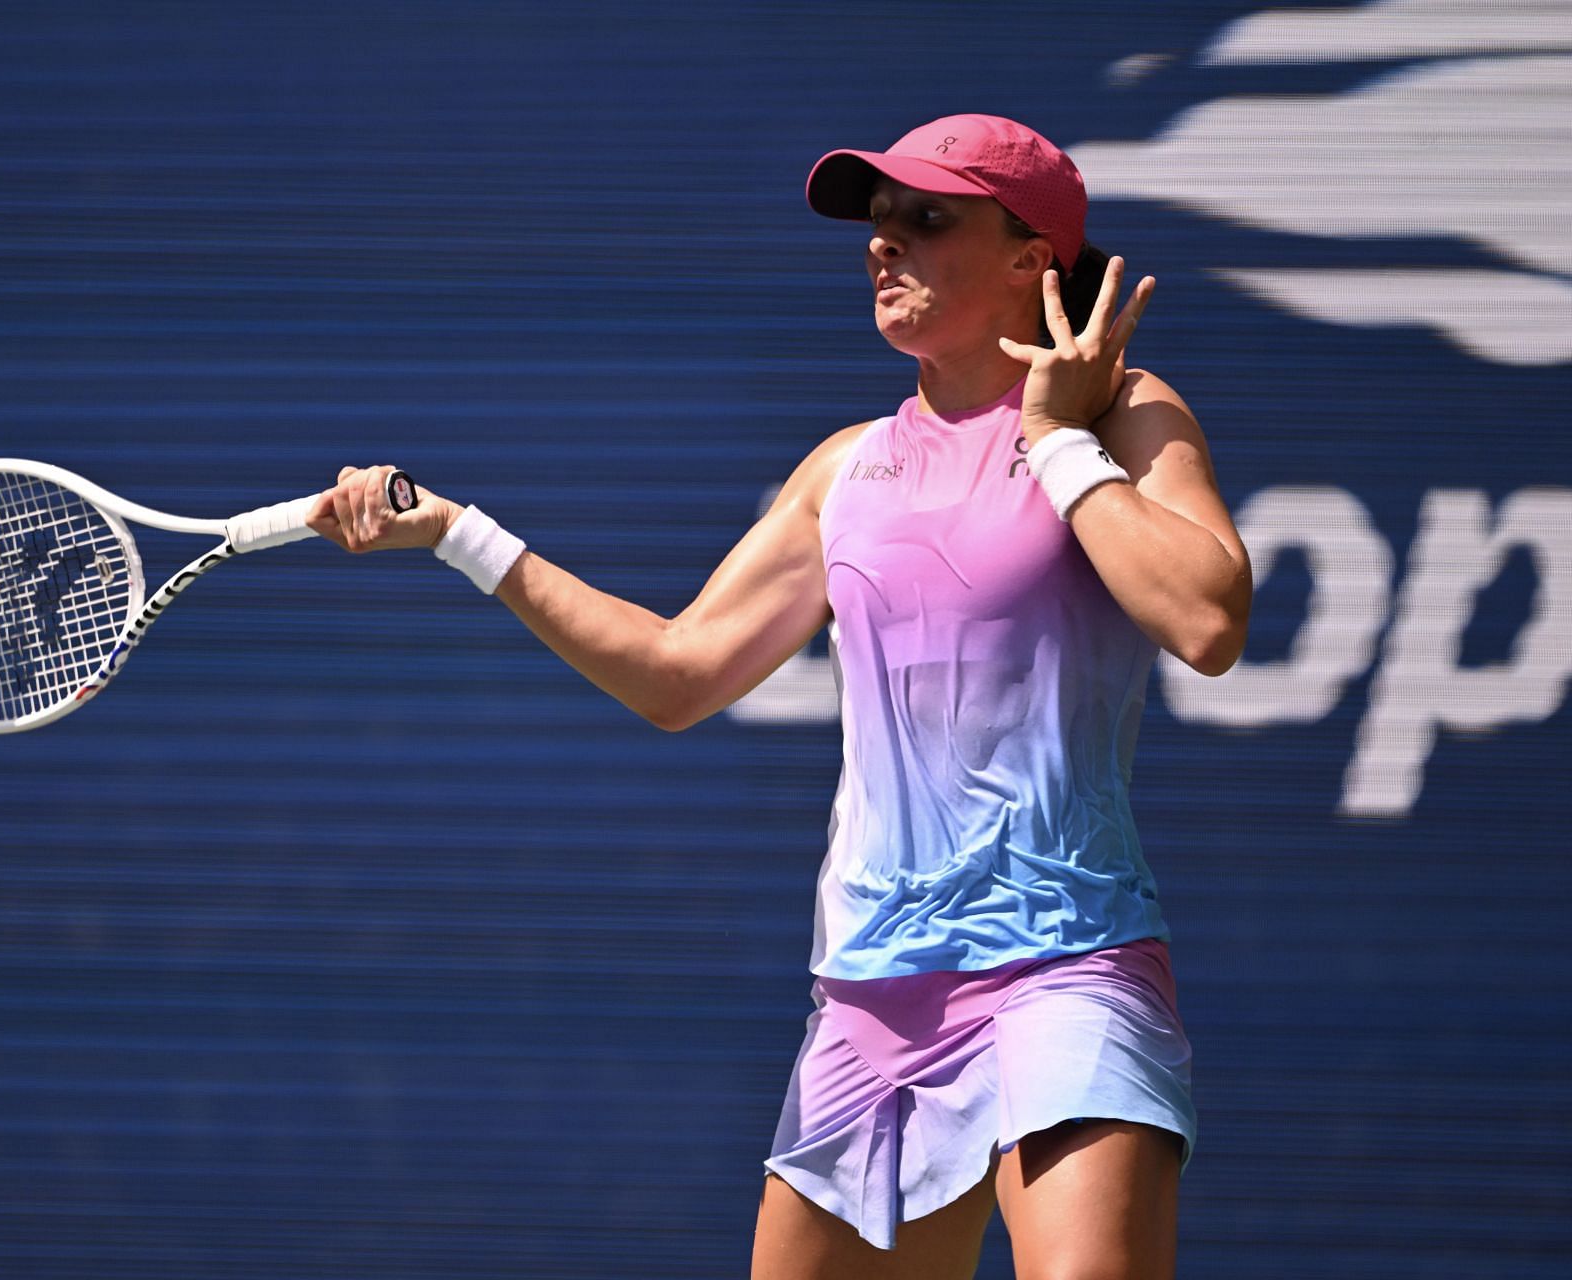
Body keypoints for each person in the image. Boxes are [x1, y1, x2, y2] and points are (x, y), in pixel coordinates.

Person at [311, 114, 1251, 1280]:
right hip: (872, 990)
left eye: (926, 217)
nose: (883, 242)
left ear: (1031, 257)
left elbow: (1208, 619)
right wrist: (460, 534)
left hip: (1065, 965)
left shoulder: (1127, 416)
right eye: (877, 220)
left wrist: (1057, 440)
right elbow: (678, 674)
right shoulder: (845, 470)